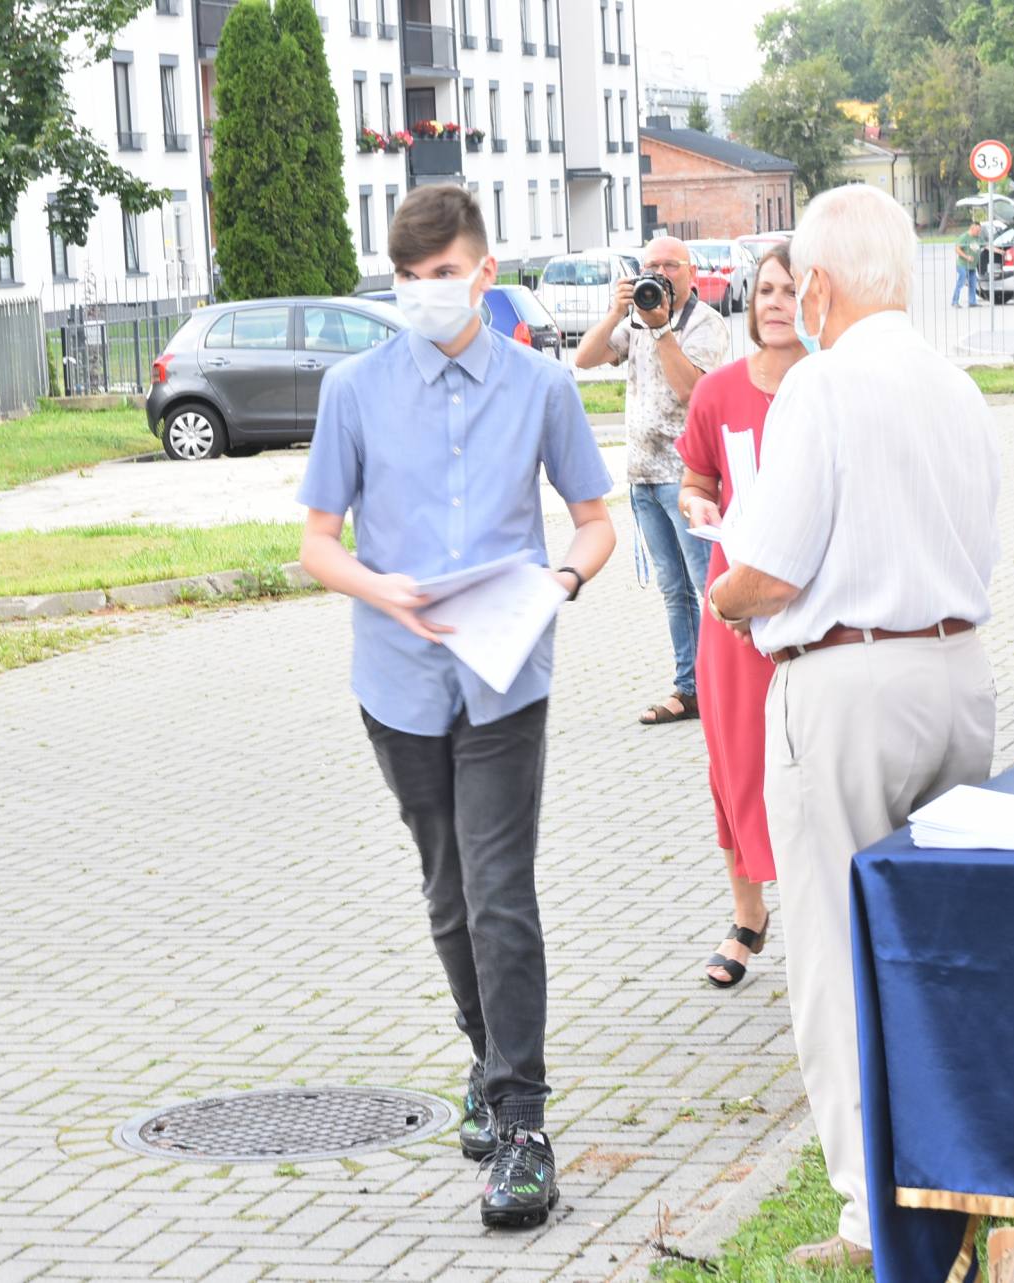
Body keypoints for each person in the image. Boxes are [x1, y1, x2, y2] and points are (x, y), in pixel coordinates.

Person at [296, 185, 616, 1228]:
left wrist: (557, 585)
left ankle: (523, 1123)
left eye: (442, 275)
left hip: (505, 669)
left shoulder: (538, 386)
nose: (424, 294)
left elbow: (594, 521)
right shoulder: (352, 388)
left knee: (498, 889)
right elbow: (316, 544)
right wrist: (379, 588)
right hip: (395, 676)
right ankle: (488, 1060)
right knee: (446, 890)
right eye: (407, 278)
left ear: (484, 272)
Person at [705, 184, 1000, 1271]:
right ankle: (960, 1181)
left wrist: (722, 595)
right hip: (958, 666)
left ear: (816, 287)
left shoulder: (822, 386)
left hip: (849, 680)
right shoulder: (958, 384)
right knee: (943, 943)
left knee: (834, 948)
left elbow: (770, 567)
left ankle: (871, 1216)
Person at [674, 243, 802, 989]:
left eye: (789, 289)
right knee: (734, 760)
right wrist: (698, 503)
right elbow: (695, 480)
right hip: (732, 595)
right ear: (750, 305)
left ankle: (824, 906)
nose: (776, 302)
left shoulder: (828, 385)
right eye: (764, 291)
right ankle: (747, 912)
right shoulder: (717, 391)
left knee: (807, 754)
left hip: (806, 594)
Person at [575, 235, 731, 725]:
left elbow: (693, 392)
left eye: (669, 264)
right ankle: (690, 689)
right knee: (673, 589)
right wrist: (613, 313)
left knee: (707, 586)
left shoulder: (706, 325)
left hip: (688, 481)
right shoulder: (635, 321)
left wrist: (662, 329)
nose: (660, 273)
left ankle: (723, 683)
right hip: (642, 477)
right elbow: (583, 358)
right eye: (650, 265)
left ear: (688, 272)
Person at [953, 217, 984, 308]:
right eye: (977, 230)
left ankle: (972, 302)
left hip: (972, 266)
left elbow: (986, 246)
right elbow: (957, 249)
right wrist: (966, 257)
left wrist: (1000, 250)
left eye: (980, 231)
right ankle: (955, 301)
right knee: (961, 282)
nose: (979, 232)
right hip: (962, 265)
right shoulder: (964, 237)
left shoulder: (978, 238)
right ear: (972, 228)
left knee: (973, 283)